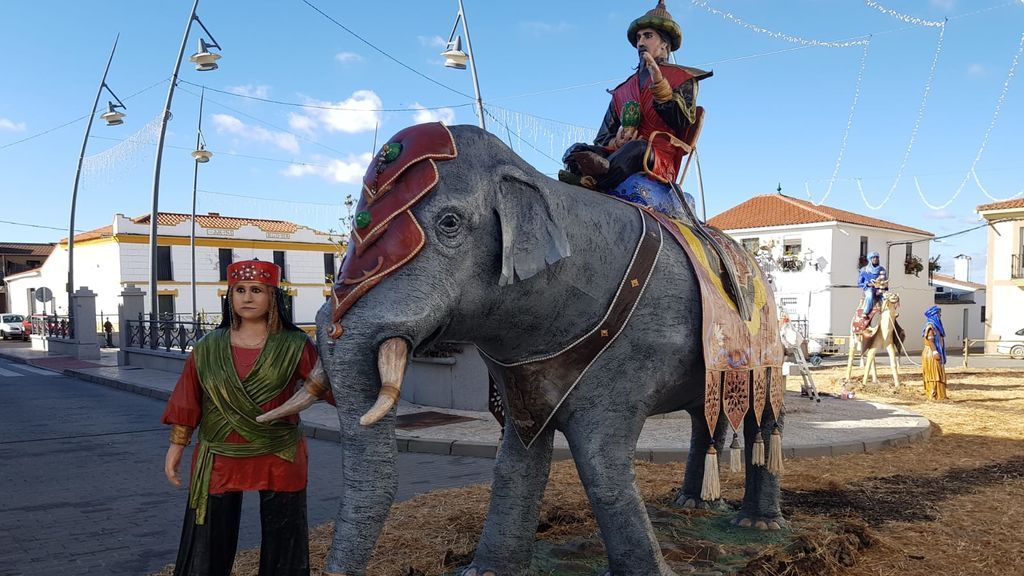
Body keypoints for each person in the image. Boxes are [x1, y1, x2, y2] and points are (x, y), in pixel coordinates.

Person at [162, 259, 334, 576]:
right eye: (239, 290)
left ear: (273, 297)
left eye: (256, 290)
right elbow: (189, 397)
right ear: (230, 296)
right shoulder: (207, 347)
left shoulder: (296, 345)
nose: (247, 297)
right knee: (209, 536)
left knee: (285, 535)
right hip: (218, 453)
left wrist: (361, 377)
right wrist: (177, 446)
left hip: (279, 450)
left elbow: (329, 388)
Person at [562, 0, 712, 193]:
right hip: (617, 153)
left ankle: (594, 184)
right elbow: (602, 138)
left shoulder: (684, 78)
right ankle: (591, 175)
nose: (640, 42)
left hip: (658, 156)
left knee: (636, 149)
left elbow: (682, 121)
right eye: (639, 38)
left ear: (665, 43)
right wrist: (615, 142)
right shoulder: (622, 90)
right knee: (577, 150)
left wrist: (660, 87)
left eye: (648, 36)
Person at [922, 305, 948, 400]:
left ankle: (940, 395)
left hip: (936, 351)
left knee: (939, 372)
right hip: (931, 353)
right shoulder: (930, 326)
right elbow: (930, 340)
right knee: (934, 373)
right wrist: (934, 351)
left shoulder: (936, 326)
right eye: (938, 314)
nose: (940, 316)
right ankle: (933, 393)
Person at [857, 251, 888, 319]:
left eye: (877, 257)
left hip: (879, 289)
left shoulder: (882, 269)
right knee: (870, 296)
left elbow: (885, 281)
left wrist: (885, 286)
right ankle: (865, 312)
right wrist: (868, 284)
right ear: (870, 259)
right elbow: (859, 284)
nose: (875, 259)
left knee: (888, 298)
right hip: (869, 289)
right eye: (873, 257)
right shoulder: (864, 270)